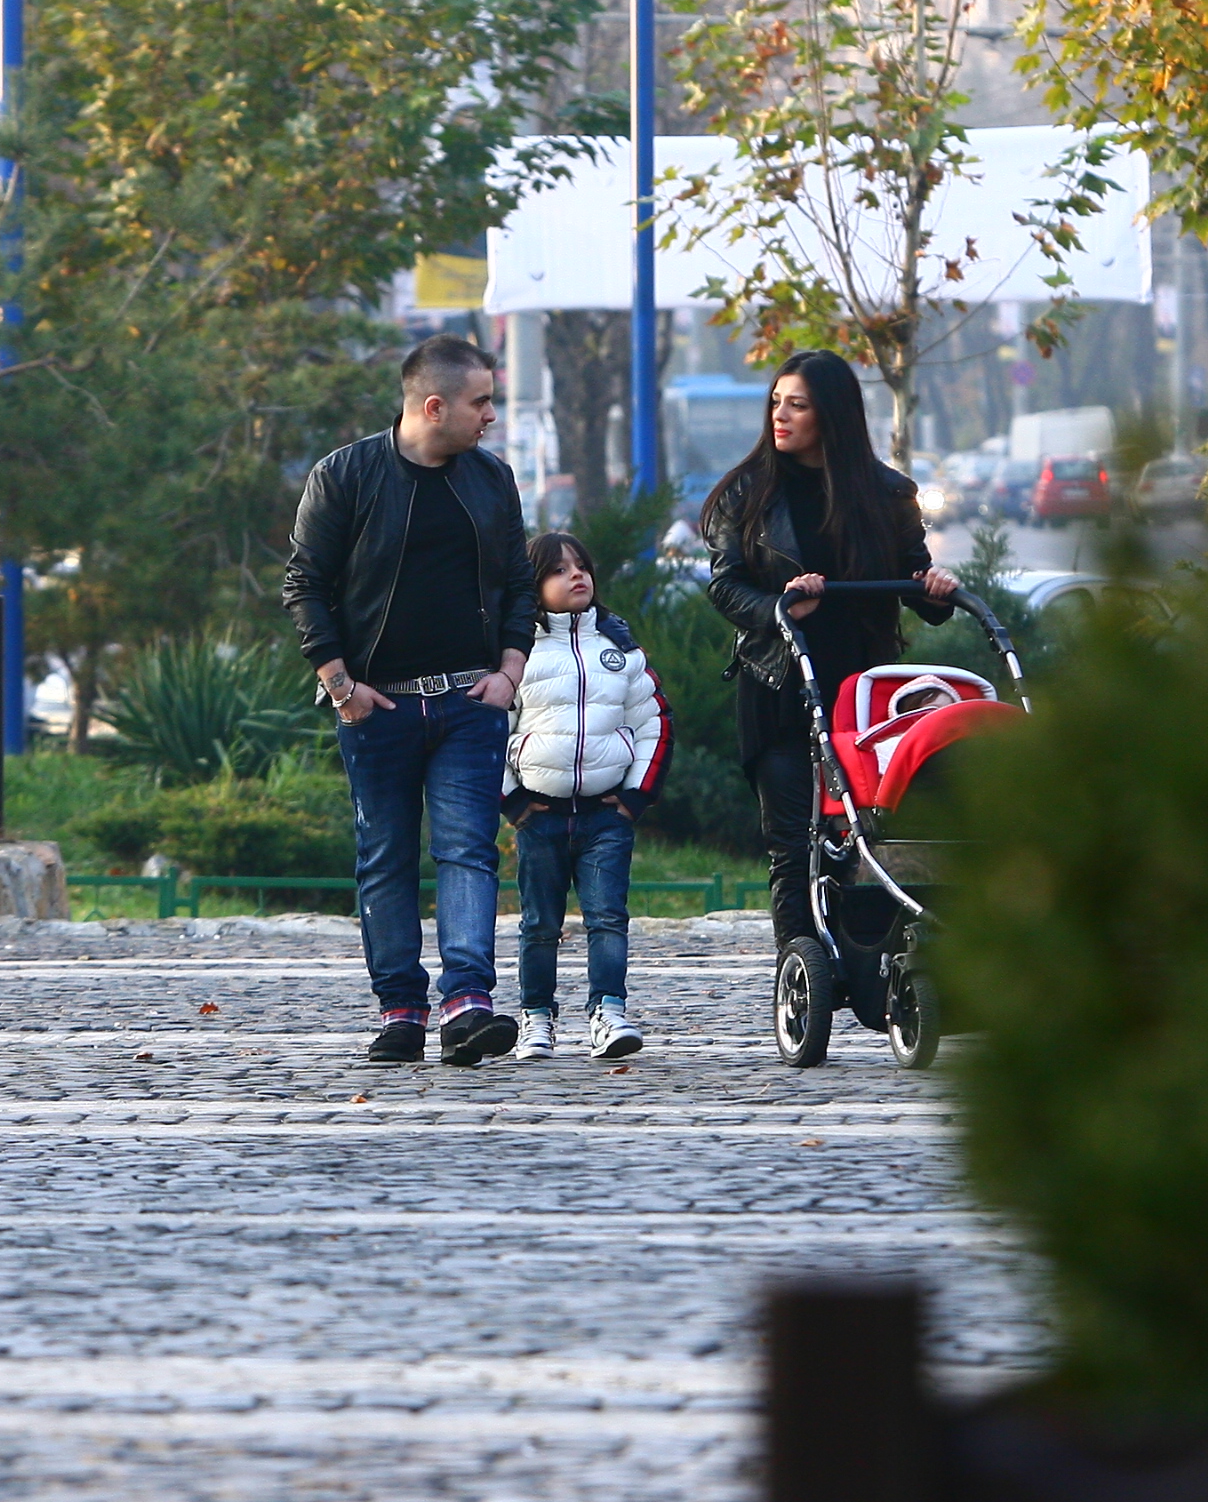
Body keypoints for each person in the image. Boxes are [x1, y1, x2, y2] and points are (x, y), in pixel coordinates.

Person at [282, 335, 539, 1067]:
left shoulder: (492, 480)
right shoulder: (346, 476)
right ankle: (400, 1008)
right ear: (435, 406)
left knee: (467, 851)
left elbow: (520, 584)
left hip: (468, 702)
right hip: (378, 708)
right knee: (386, 857)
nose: (491, 415)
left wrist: (509, 674)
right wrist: (341, 686)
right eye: (481, 402)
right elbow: (305, 585)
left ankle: (468, 1004)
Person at [700, 349, 958, 950]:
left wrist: (938, 590)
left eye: (797, 405)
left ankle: (870, 955)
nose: (779, 417)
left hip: (863, 694)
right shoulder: (747, 492)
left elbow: (918, 585)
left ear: (833, 415)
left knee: (865, 831)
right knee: (791, 842)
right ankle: (801, 968)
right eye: (775, 402)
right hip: (779, 685)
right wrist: (779, 607)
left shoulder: (887, 494)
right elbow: (724, 584)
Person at [502, 530, 667, 1062]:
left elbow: (653, 721)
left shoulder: (618, 650)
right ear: (534, 585)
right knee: (539, 924)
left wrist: (637, 795)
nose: (576, 576)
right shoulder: (516, 653)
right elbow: (490, 729)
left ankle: (609, 1011)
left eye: (581, 566)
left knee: (607, 918)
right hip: (540, 817)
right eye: (557, 570)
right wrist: (511, 800)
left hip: (605, 816)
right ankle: (536, 1018)